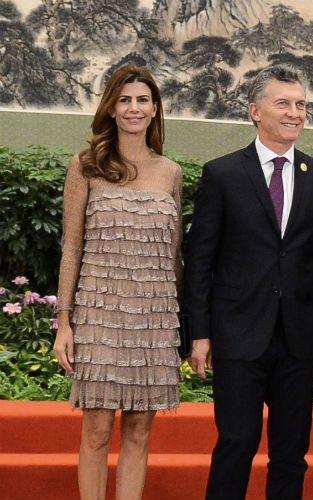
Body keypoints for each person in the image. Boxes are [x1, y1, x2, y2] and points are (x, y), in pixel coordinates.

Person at [183, 65, 313, 500]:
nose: (295, 113)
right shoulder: (223, 173)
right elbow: (200, 260)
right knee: (236, 442)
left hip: (300, 338)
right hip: (238, 334)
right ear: (255, 111)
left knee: (291, 453)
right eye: (284, 103)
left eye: (302, 105)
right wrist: (199, 333)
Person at [53, 65, 183, 500]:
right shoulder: (86, 165)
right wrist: (64, 323)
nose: (133, 108)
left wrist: (186, 328)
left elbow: (175, 256)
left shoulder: (170, 172)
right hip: (98, 313)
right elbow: (72, 247)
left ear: (155, 109)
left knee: (140, 431)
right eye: (124, 99)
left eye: (142, 99)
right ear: (110, 108)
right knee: (97, 429)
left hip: (154, 319)